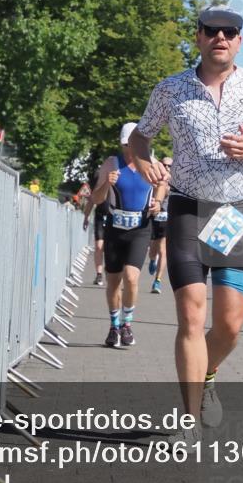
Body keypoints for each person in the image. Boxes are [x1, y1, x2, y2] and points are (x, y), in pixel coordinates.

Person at [128, 5, 243, 436]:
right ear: (198, 37)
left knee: (230, 326)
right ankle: (188, 420)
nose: (221, 38)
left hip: (237, 213)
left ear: (239, 41)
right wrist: (144, 164)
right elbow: (140, 137)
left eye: (230, 32)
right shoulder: (171, 89)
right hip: (186, 207)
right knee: (190, 317)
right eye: (212, 31)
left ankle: (209, 374)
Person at [91, 122, 165, 348]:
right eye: (126, 145)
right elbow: (96, 199)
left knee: (132, 278)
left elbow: (163, 184)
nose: (129, 150)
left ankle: (127, 324)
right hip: (115, 228)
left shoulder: (152, 163)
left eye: (132, 144)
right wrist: (106, 183)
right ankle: (114, 326)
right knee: (113, 282)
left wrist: (158, 202)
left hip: (140, 228)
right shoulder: (112, 163)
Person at [147, 156, 173, 294]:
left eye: (170, 166)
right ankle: (152, 259)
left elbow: (169, 192)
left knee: (163, 250)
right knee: (153, 250)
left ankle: (157, 281)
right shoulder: (153, 177)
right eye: (165, 165)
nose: (167, 168)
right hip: (153, 217)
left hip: (166, 218)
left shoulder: (174, 180)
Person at [81, 173, 109, 287]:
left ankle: (112, 271)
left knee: (111, 248)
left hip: (114, 218)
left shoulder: (117, 183)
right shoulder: (98, 186)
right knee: (98, 246)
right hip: (100, 217)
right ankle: (99, 274)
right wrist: (86, 218)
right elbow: (91, 201)